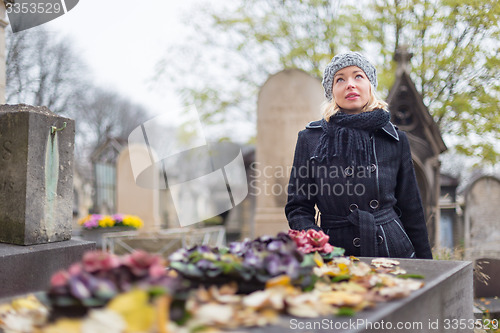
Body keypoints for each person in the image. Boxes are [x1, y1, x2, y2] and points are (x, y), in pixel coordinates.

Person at [285, 51, 432, 259]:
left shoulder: (394, 139)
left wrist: (427, 265)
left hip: (393, 253)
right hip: (335, 254)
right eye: (340, 79)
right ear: (332, 91)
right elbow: (298, 208)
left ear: (370, 85)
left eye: (358, 76)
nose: (350, 84)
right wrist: (320, 247)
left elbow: (412, 210)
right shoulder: (311, 139)